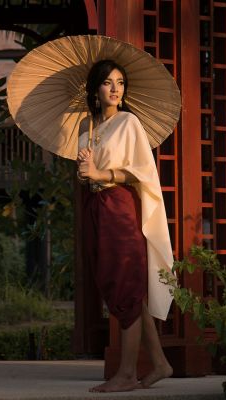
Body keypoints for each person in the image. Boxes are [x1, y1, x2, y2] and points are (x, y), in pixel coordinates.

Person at [76, 59, 175, 393]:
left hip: (120, 208)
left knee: (125, 284)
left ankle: (128, 373)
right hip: (95, 210)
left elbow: (141, 173)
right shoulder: (85, 129)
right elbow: (86, 176)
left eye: (120, 82)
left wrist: (102, 175)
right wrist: (84, 172)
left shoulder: (128, 122)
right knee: (121, 285)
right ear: (95, 89)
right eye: (107, 82)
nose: (115, 88)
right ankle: (160, 363)